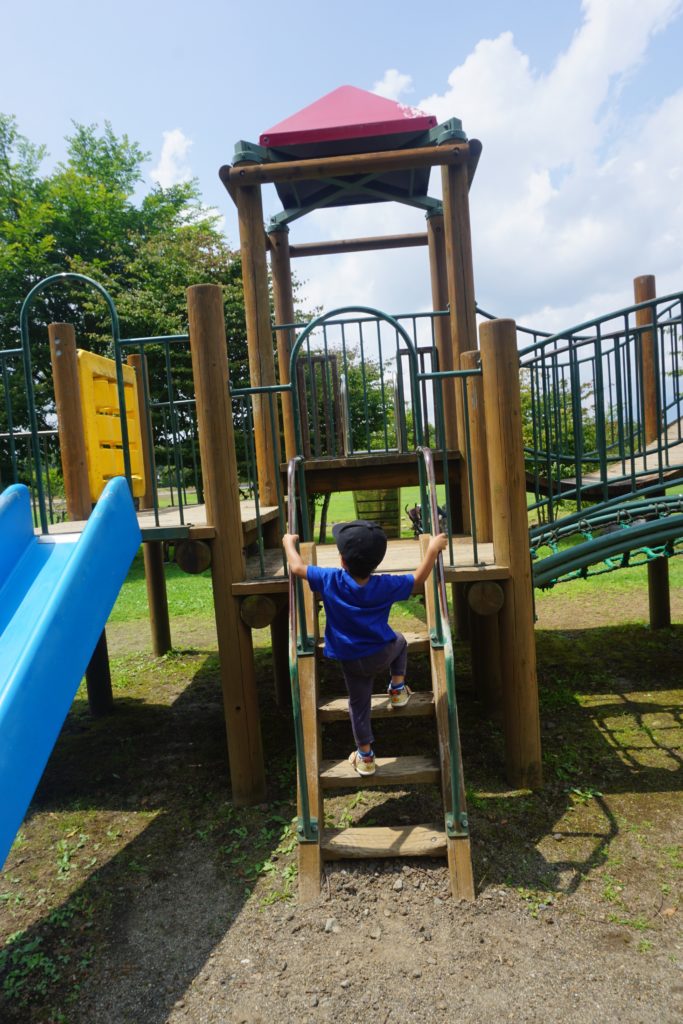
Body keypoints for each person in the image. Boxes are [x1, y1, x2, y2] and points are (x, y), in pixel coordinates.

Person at [282, 520, 448, 777]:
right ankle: (397, 688)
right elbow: (418, 578)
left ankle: (366, 756)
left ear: (342, 561)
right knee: (401, 640)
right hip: (381, 654)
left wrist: (288, 543)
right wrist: (432, 549)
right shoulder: (385, 585)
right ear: (377, 562)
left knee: (358, 706)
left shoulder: (330, 579)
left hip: (350, 660)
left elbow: (296, 567)